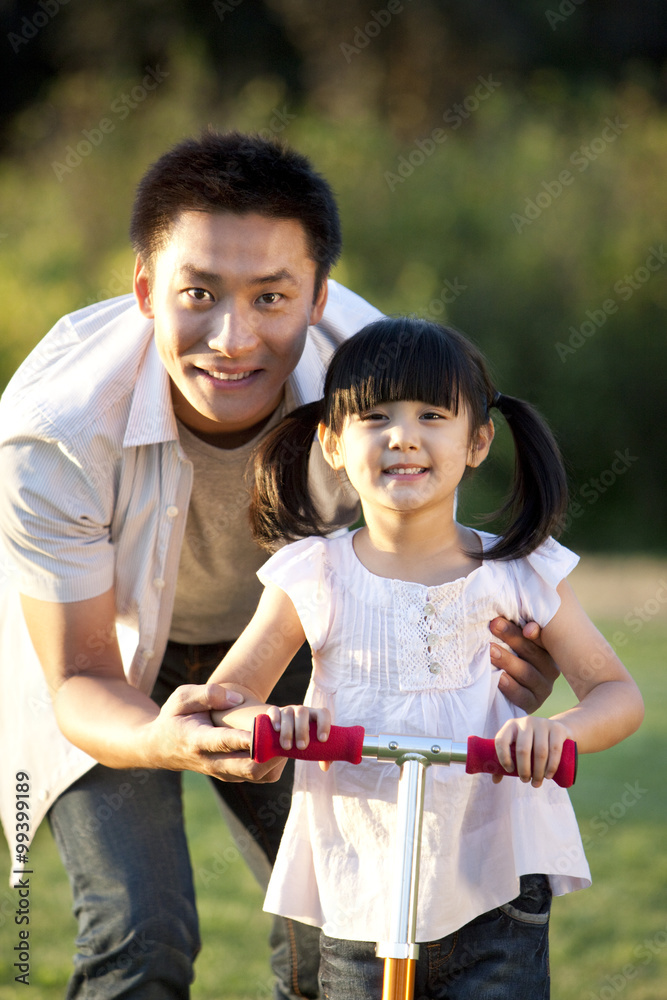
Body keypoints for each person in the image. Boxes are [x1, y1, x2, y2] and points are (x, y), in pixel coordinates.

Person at [0, 132, 562, 999]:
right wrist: (162, 736)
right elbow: (76, 671)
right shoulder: (54, 432)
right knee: (138, 938)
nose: (233, 339)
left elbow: (424, 565)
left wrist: (501, 651)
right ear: (146, 290)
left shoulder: (377, 383)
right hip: (100, 660)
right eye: (198, 293)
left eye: (270, 296)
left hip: (296, 642)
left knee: (345, 917)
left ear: (317, 296)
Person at [210, 317, 644, 1000]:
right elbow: (226, 700)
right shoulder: (312, 574)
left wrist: (552, 733)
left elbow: (617, 693)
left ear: (477, 442)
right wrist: (270, 722)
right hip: (360, 879)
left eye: (431, 415)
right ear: (331, 442)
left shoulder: (517, 571)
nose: (402, 435)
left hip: (496, 880)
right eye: (374, 417)